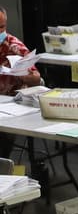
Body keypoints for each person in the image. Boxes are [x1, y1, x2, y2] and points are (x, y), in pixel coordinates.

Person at [0, 9, 42, 160]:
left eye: (2, 27)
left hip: (11, 106)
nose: (1, 31)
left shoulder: (14, 47)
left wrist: (27, 77)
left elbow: (36, 79)